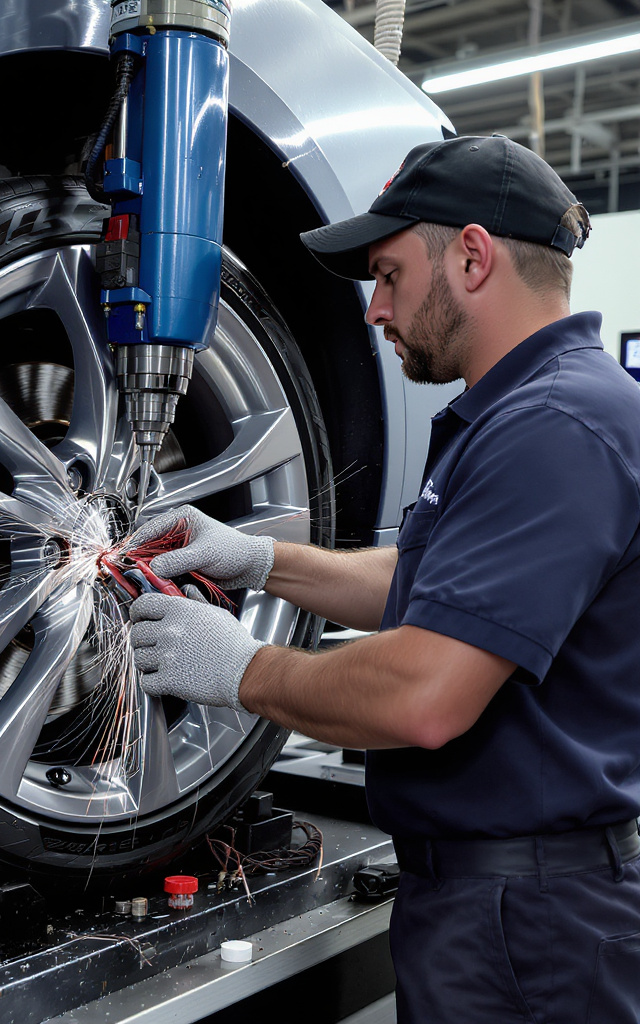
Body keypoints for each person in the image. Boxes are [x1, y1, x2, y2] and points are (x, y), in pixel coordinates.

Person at [127, 134, 640, 1023]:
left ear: (473, 257)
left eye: (390, 274)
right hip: (499, 903)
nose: (374, 310)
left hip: (529, 930)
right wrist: (263, 558)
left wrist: (244, 670)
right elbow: (437, 581)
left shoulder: (556, 426)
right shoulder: (541, 407)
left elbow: (425, 697)